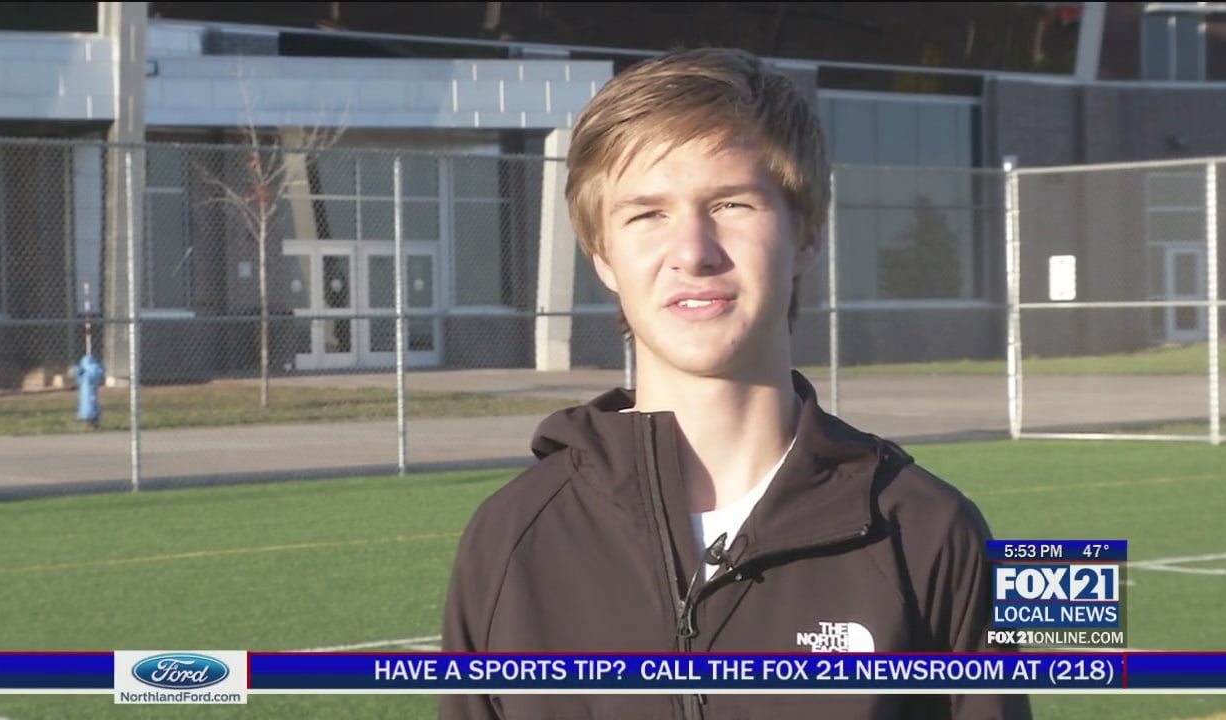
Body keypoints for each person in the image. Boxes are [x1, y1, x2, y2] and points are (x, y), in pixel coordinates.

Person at [440, 46, 1032, 720]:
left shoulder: (929, 534)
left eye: (731, 203)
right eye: (647, 214)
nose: (692, 250)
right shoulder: (513, 539)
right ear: (603, 256)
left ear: (805, 233)